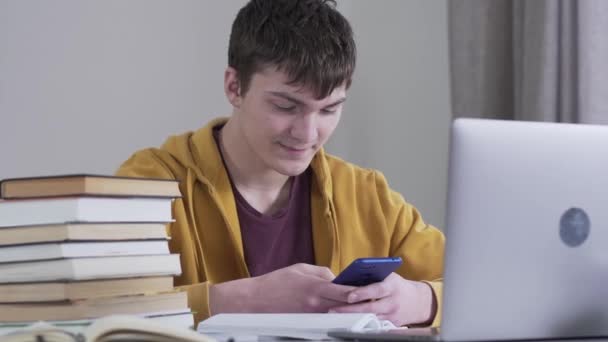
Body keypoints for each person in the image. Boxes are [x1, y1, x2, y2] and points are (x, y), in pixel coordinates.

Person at [116, 0, 444, 328]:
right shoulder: (149, 182)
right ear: (234, 87)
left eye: (329, 110)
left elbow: (479, 285)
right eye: (286, 106)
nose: (307, 134)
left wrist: (419, 300)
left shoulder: (367, 194)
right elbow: (94, 309)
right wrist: (242, 300)